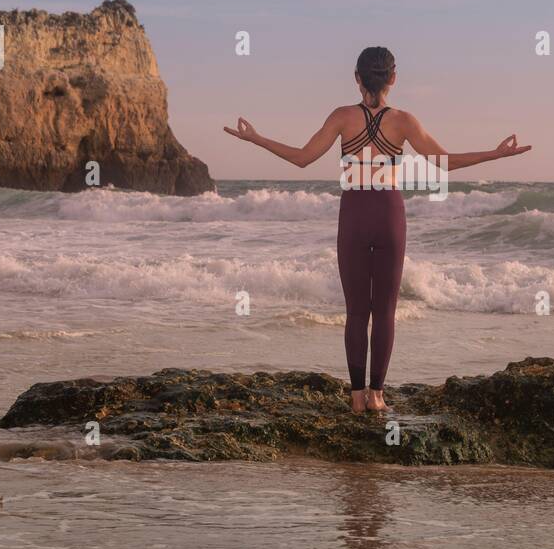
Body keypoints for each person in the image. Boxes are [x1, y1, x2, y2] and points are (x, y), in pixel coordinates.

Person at [224, 47, 531, 413]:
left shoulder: (342, 117)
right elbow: (444, 164)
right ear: (393, 78)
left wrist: (255, 138)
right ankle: (378, 396)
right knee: (385, 310)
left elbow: (302, 158)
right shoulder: (404, 121)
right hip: (389, 213)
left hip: (353, 212)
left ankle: (356, 396)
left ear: (356, 78)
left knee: (356, 311)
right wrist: (495, 155)